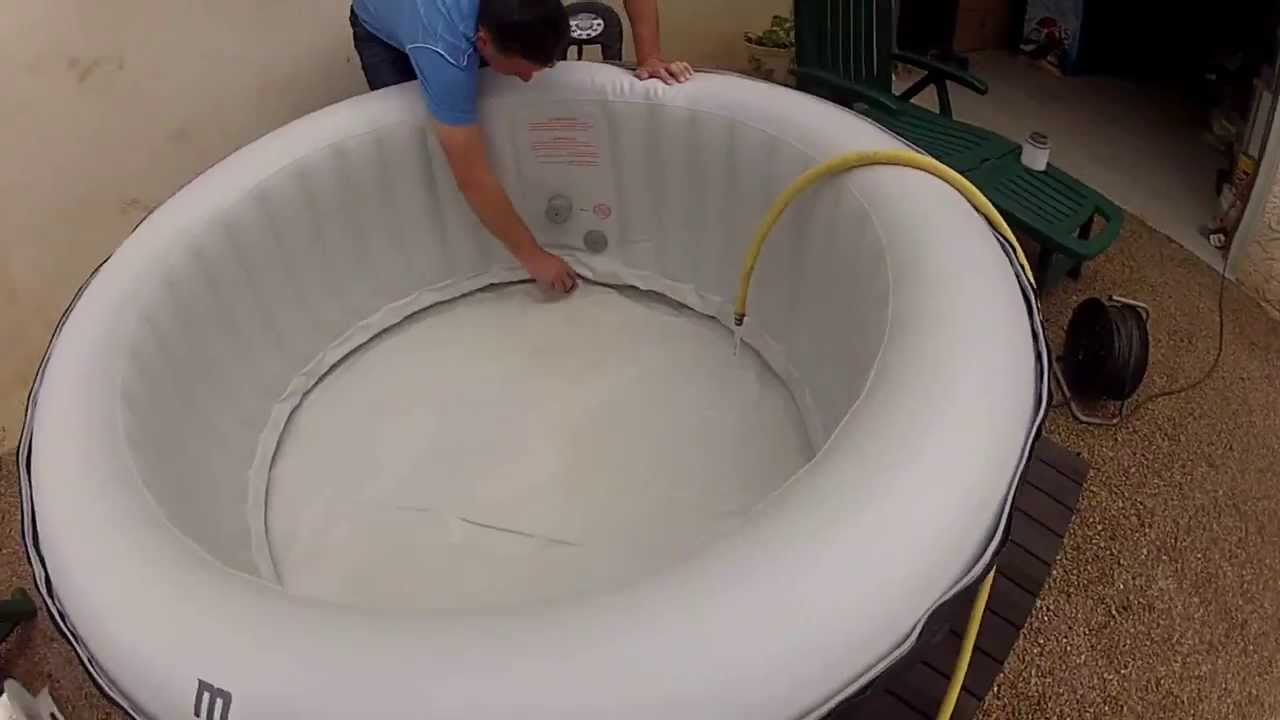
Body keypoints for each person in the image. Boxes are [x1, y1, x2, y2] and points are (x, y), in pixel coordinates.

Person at [349, 0, 694, 294]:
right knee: (433, 144)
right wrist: (534, 258)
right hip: (386, 21)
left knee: (485, 114)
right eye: (522, 72)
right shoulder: (443, 50)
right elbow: (472, 176)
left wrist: (650, 56)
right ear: (482, 41)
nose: (529, 80)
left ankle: (503, 226)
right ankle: (451, 256)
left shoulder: (497, 27)